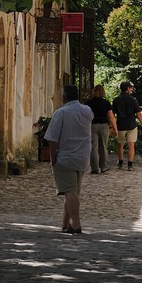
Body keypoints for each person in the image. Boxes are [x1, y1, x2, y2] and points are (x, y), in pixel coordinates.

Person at [43, 82, 93, 235]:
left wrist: (53, 158)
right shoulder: (87, 111)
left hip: (65, 158)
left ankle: (76, 225)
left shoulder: (61, 113)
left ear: (63, 97)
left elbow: (52, 138)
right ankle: (65, 224)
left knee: (69, 191)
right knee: (71, 192)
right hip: (83, 158)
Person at [113, 81, 142, 171]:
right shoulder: (133, 99)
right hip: (131, 125)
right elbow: (139, 114)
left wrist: (112, 126)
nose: (132, 89)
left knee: (120, 144)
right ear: (128, 88)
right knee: (131, 145)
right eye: (131, 87)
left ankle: (120, 162)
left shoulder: (116, 99)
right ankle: (130, 165)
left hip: (120, 125)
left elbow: (112, 114)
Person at [86, 83, 118, 174]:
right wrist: (115, 128)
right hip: (104, 125)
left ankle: (95, 168)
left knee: (93, 147)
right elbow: (111, 117)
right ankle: (104, 166)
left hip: (92, 125)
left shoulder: (89, 102)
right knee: (103, 146)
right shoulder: (106, 103)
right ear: (103, 92)